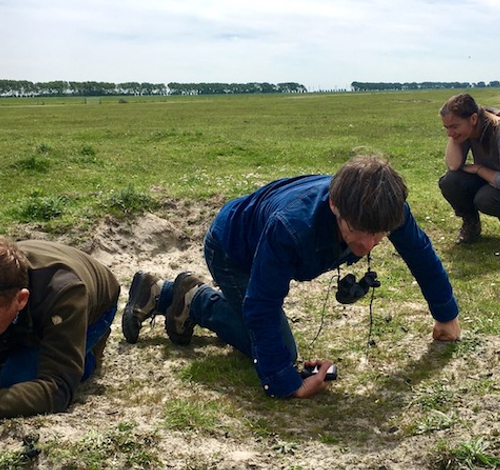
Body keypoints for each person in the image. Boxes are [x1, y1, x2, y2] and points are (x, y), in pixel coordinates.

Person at [122, 155, 460, 399]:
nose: (367, 245)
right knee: (281, 350)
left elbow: (420, 253)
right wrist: (284, 382)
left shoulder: (386, 206)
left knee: (275, 348)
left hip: (261, 237)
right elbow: (261, 305)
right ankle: (190, 298)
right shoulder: (293, 227)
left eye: (379, 234)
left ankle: (174, 294)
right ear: (335, 208)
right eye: (357, 231)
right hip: (233, 249)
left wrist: (447, 316)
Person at [0, 238, 120, 419]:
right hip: (24, 316)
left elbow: (57, 389)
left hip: (93, 307)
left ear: (20, 299)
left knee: (12, 380)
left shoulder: (65, 294)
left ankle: (85, 355)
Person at [438, 93, 500, 243]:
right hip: (491, 179)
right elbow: (453, 165)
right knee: (450, 181)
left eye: (454, 126)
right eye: (446, 127)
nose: (449, 133)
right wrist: (455, 135)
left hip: (495, 180)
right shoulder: (471, 129)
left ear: (473, 118)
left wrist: (479, 169)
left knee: (485, 199)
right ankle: (471, 224)